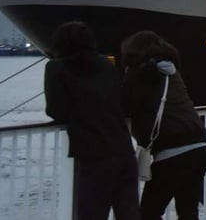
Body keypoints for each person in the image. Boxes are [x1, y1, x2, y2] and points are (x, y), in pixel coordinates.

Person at [44, 21, 140, 220]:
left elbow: (56, 110)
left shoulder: (56, 68)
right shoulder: (106, 64)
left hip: (94, 155)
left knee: (91, 214)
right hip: (124, 151)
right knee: (129, 213)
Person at [121, 31, 206, 220]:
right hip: (199, 144)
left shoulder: (139, 74)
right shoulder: (172, 72)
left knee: (148, 213)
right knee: (188, 211)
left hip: (171, 149)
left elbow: (125, 104)